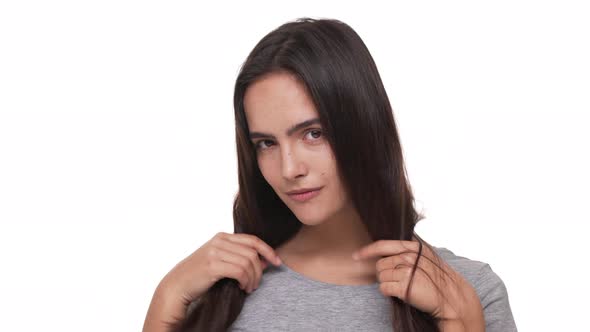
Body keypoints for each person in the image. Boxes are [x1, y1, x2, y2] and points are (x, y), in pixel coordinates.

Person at [142, 17, 517, 332]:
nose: (289, 169)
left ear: (363, 128)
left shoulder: (471, 290)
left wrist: (460, 319)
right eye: (266, 144)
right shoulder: (217, 290)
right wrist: (166, 299)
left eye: (313, 134)